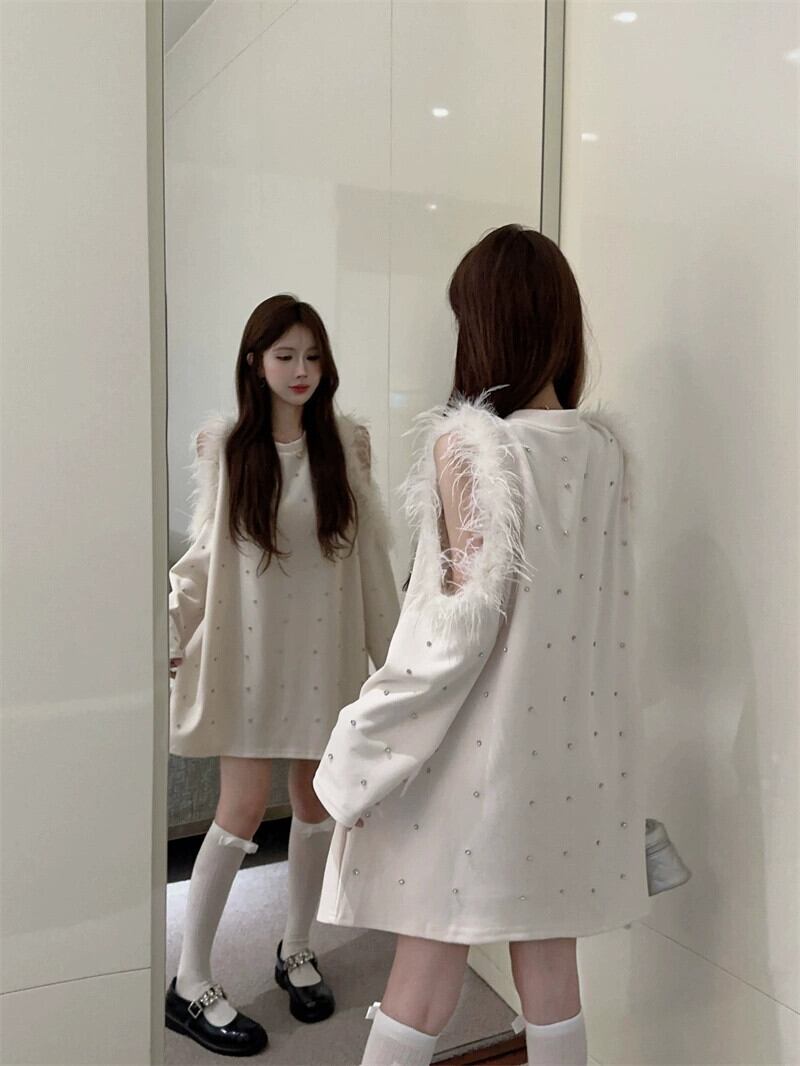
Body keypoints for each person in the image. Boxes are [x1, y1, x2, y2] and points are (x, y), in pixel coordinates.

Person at [312, 224, 651, 1066]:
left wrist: (359, 737)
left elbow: (452, 637)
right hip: (568, 766)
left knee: (423, 975)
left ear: (489, 324)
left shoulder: (473, 445)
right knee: (552, 976)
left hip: (476, 770)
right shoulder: (604, 451)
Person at [165, 294, 399, 1057]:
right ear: (255, 362)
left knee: (313, 801)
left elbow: (367, 558)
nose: (301, 370)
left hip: (324, 655)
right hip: (252, 657)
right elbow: (206, 557)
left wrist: (396, 658)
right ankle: (189, 979)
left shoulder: (347, 447)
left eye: (312, 356)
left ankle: (296, 947)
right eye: (285, 355)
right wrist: (170, 623)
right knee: (238, 810)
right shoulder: (229, 448)